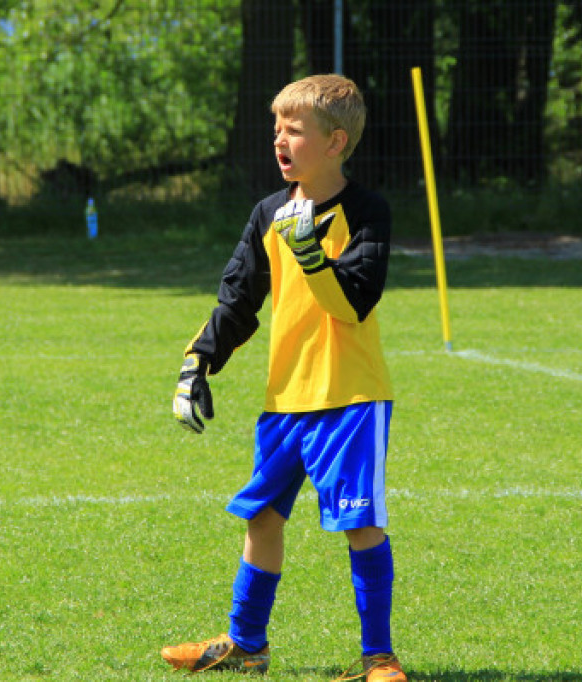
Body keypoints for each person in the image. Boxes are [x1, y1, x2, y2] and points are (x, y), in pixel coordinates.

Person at [164, 74, 405, 681]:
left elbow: (352, 303)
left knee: (360, 523)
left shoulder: (367, 211)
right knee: (263, 517)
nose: (279, 140)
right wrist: (197, 362)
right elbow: (237, 299)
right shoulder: (269, 213)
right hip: (284, 399)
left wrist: (311, 254)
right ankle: (247, 645)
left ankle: (379, 658)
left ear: (335, 142)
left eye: (294, 130)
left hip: (350, 397)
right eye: (276, 128)